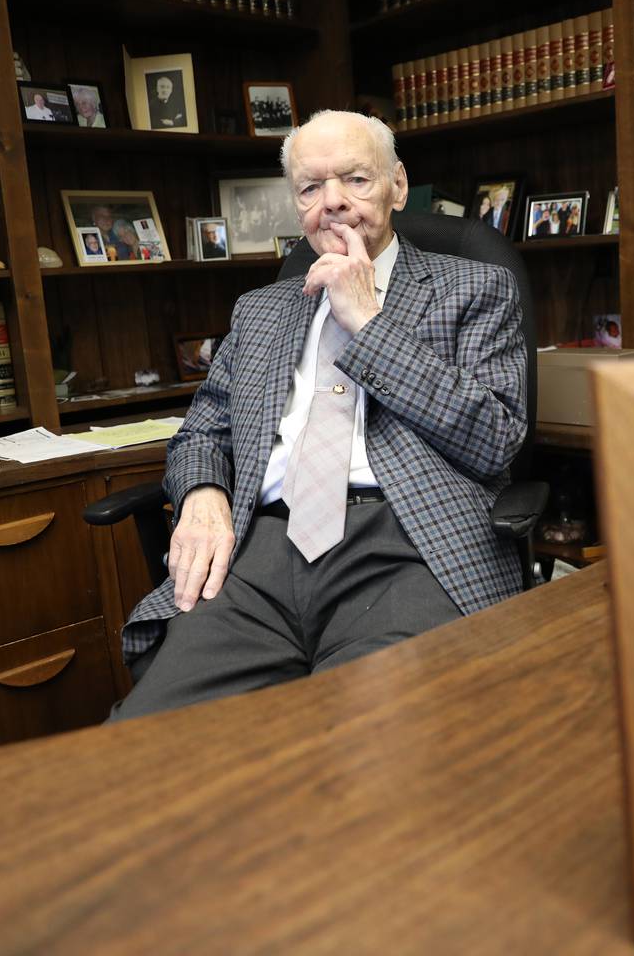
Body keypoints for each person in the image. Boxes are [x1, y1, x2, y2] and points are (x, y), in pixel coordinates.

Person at [110, 109, 527, 720]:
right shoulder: (260, 310)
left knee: (371, 749)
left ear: (398, 185)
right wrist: (202, 492)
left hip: (404, 548)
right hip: (259, 554)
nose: (331, 202)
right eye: (310, 187)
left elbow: (496, 439)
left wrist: (368, 323)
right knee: (149, 739)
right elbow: (203, 430)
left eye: (355, 180)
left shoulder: (476, 288)